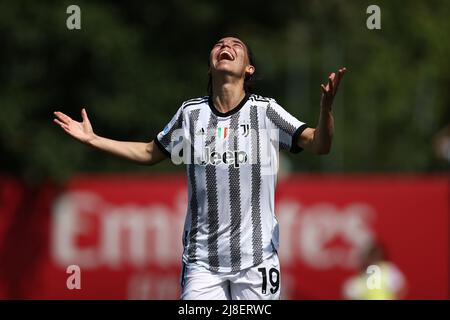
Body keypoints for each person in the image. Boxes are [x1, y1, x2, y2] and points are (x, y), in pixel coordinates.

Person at [53, 36, 346, 300]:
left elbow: (320, 145)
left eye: (236, 46)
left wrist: (326, 109)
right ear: (210, 67)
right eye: (219, 45)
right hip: (202, 262)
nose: (225, 47)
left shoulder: (265, 111)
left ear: (249, 69)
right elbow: (148, 152)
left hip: (257, 259)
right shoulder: (191, 114)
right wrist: (93, 139)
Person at [342, 242, 407, 300]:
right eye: (372, 256)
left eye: (376, 255)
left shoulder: (389, 270)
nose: (374, 258)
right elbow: (350, 293)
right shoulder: (359, 279)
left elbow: (400, 289)